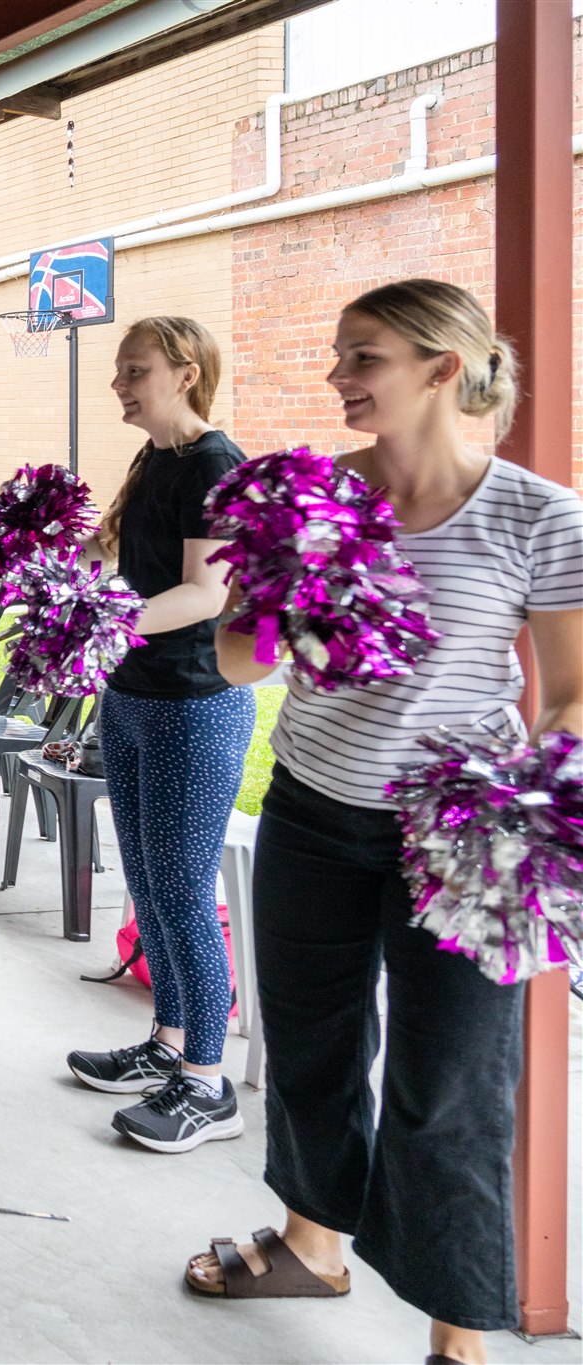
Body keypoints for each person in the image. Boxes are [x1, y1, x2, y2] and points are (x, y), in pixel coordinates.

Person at [186, 280, 582, 1365]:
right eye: (336, 355)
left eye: (360, 356)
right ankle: (310, 1248)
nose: (335, 378)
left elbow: (565, 696)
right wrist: (293, 605)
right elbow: (232, 660)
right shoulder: (308, 498)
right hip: (313, 809)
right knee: (311, 1047)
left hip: (459, 842)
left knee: (449, 1084)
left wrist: (527, 819)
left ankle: (458, 1338)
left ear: (439, 369)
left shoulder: (537, 516)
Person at [60, 317, 253, 1153]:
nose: (119, 384)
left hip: (194, 701)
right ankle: (167, 1043)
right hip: (134, 694)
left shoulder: (216, 464)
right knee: (147, 881)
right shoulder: (156, 459)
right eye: (118, 370)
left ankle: (208, 1084)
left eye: (135, 370)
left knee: (179, 891)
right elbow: (112, 548)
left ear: (184, 371)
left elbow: (205, 594)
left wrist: (102, 628)